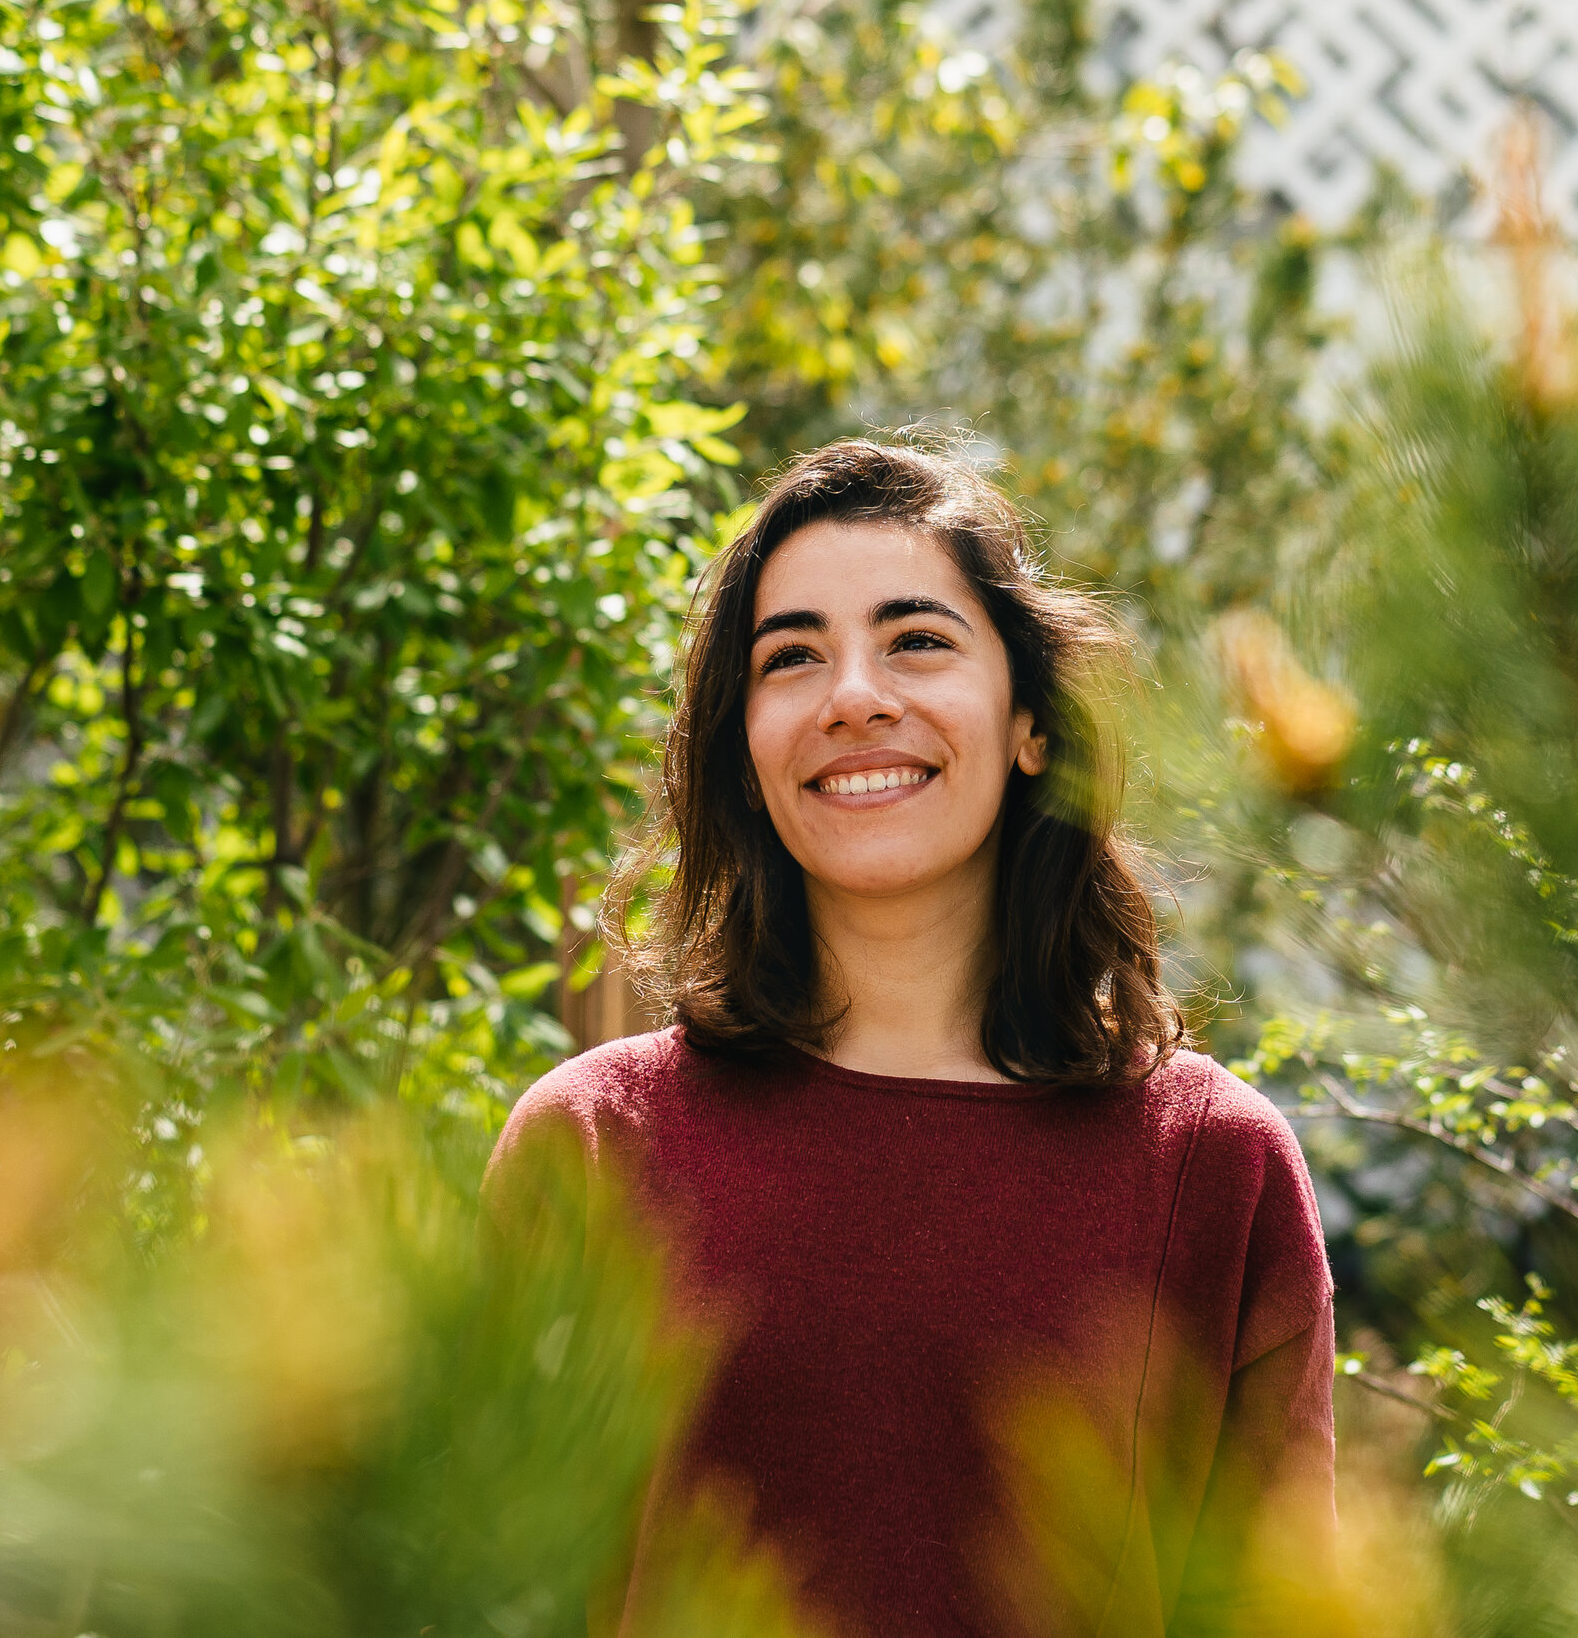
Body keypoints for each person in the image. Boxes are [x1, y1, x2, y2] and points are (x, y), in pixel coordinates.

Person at [486, 439, 1332, 1637]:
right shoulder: (590, 1144)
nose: (853, 696)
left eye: (916, 639)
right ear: (744, 745)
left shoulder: (1213, 1164)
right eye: (791, 658)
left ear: (1033, 722)